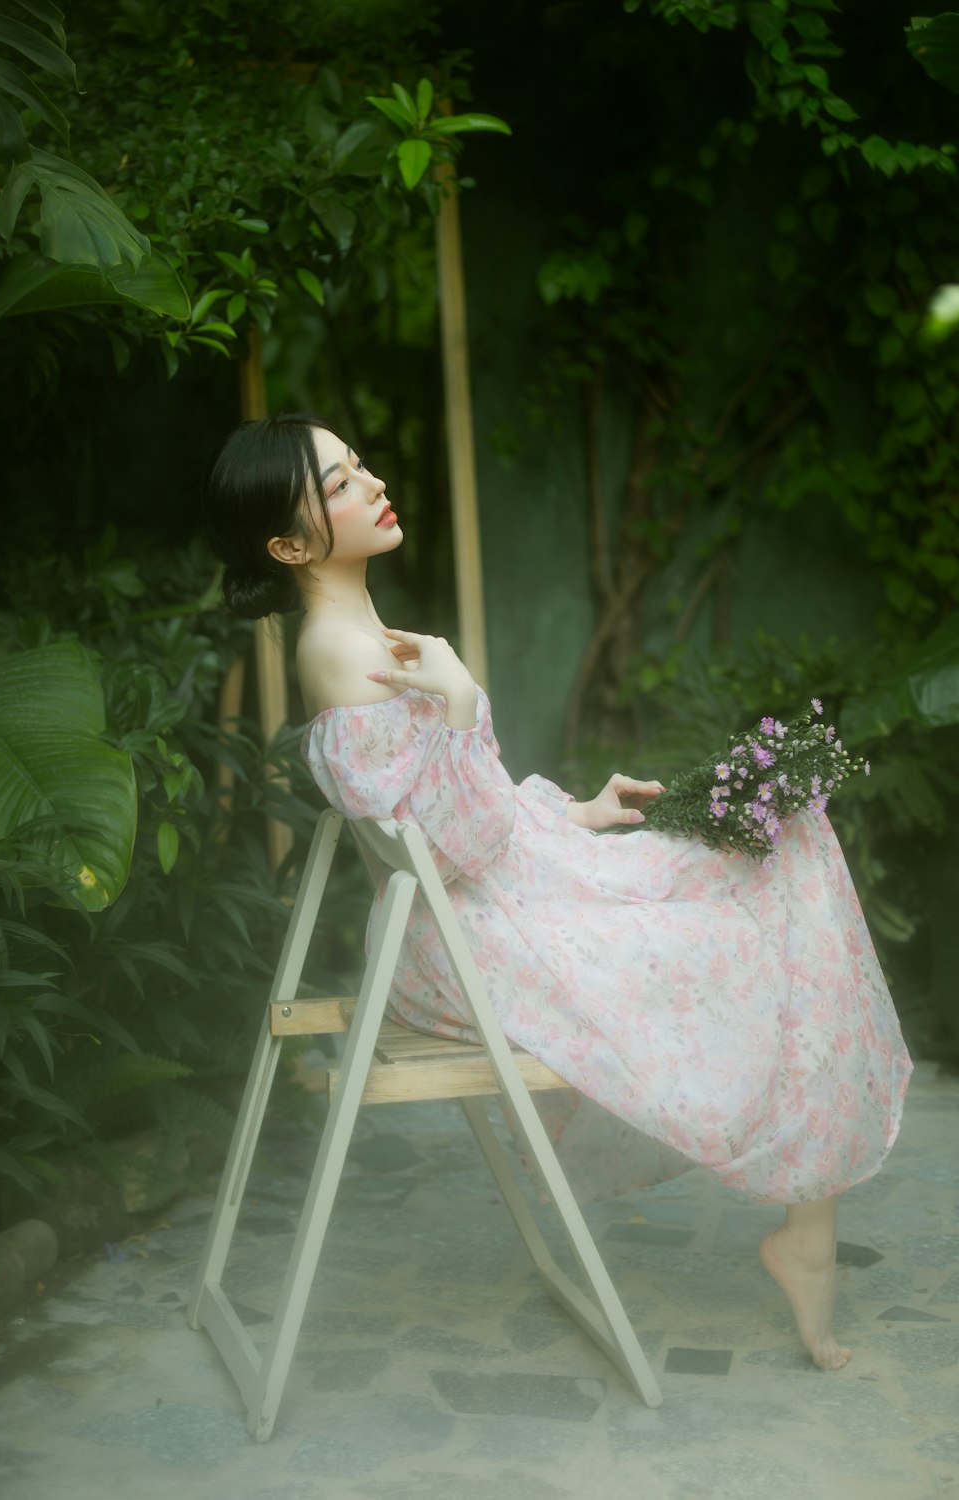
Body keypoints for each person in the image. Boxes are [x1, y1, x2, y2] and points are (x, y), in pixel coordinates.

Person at [202, 411, 913, 1373]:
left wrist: (579, 814)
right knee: (742, 936)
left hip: (500, 894)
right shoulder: (337, 649)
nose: (369, 483)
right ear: (289, 545)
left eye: (360, 464)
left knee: (774, 849)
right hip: (464, 939)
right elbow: (447, 849)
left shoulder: (358, 625)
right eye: (336, 485)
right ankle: (809, 1235)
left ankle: (808, 1232)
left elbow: (463, 815)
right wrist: (455, 699)